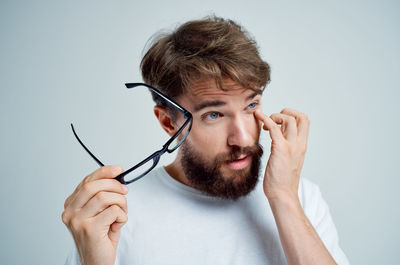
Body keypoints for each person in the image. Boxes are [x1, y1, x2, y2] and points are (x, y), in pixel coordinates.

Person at [62, 16, 349, 265]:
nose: (243, 138)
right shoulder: (115, 217)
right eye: (214, 114)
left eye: (251, 105)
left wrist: (284, 198)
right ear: (167, 122)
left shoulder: (300, 198)